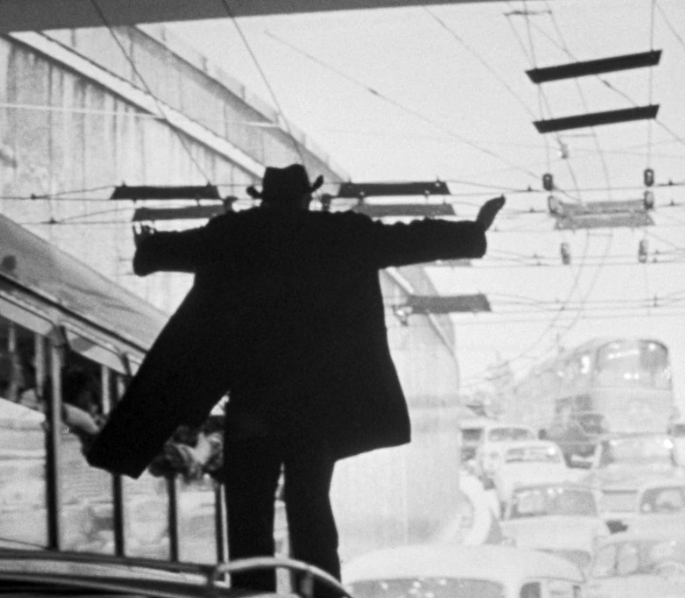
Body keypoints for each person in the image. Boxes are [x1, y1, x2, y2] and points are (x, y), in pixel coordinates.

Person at [86, 164, 505, 591]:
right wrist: (473, 230)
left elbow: (169, 250)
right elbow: (411, 238)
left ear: (264, 197)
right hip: (316, 407)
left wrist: (150, 247)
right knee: (310, 504)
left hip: (253, 403)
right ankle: (322, 590)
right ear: (307, 196)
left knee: (248, 510)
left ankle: (254, 593)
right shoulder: (342, 234)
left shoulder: (234, 233)